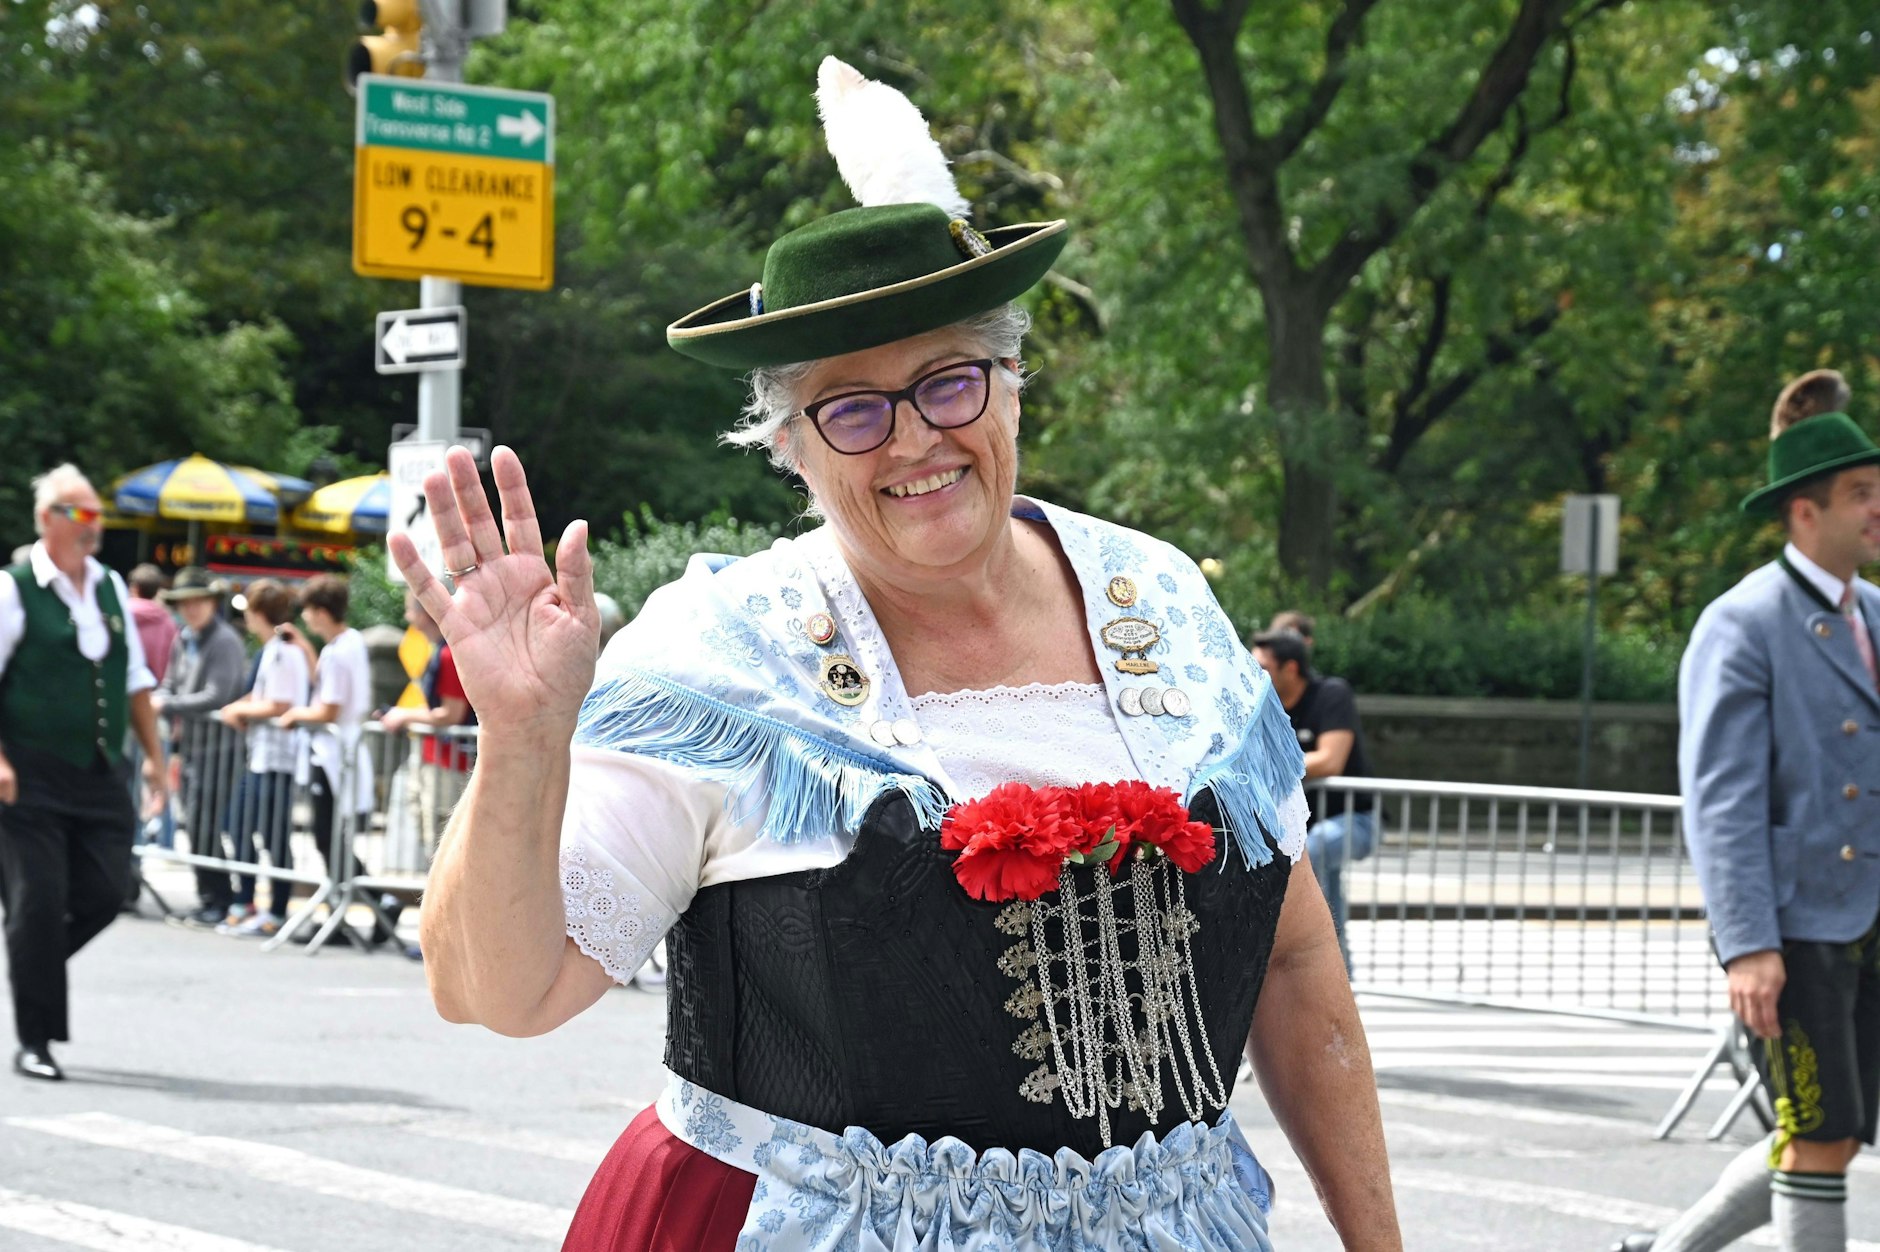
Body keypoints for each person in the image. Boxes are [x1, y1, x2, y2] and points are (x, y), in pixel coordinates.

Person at [397, 59, 1401, 1250]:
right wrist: (520, 740)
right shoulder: (719, 660)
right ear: (787, 444)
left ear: (1012, 383)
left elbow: (1289, 966)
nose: (914, 439)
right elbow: (498, 992)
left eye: (948, 381)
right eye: (852, 407)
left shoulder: (1165, 604)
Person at [1616, 369, 1880, 1252]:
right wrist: (1750, 943)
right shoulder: (1743, 622)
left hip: (1867, 918)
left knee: (1833, 1132)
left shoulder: (1873, 613)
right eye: (1860, 494)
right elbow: (1721, 799)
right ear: (1806, 512)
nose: (1877, 509)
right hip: (1795, 924)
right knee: (1815, 1132)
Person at [0, 464, 167, 1081]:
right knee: (37, 905)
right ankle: (35, 1040)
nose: (93, 526)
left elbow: (133, 681)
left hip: (98, 768)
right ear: (48, 520)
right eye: (80, 513)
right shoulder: (14, 589)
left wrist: (154, 759)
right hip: (29, 772)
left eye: (97, 513)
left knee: (104, 892)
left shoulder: (110, 587)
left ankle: (29, 956)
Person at [1251, 622, 1377, 979]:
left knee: (1317, 849)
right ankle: (1338, 975)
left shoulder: (1331, 693)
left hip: (1357, 820)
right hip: (1301, 828)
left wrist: (1272, 763)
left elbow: (1330, 760)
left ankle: (1332, 969)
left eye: (1262, 668)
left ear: (1291, 668)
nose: (1253, 676)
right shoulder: (1262, 704)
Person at [276, 575, 379, 945]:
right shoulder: (348, 643)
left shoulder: (339, 650)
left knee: (327, 838)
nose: (306, 618)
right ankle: (366, 902)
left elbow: (328, 709)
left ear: (321, 611)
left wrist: (296, 715)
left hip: (333, 755)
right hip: (342, 753)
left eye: (308, 611)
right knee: (333, 837)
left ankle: (372, 900)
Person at [211, 580, 310, 937]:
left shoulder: (284, 651)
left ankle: (277, 910)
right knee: (239, 825)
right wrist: (241, 707)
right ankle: (249, 900)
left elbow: (281, 703)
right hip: (263, 756)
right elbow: (264, 693)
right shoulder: (274, 648)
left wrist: (243, 710)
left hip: (278, 757)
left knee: (272, 835)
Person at [152, 567, 248, 914]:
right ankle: (210, 895)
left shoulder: (224, 640)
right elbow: (169, 682)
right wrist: (161, 697)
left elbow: (217, 695)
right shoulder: (183, 637)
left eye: (198, 601)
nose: (191, 608)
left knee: (204, 825)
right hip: (193, 746)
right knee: (194, 824)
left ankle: (218, 897)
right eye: (185, 603)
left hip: (219, 748)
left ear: (211, 603)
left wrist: (167, 703)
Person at [379, 590, 475, 858]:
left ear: (422, 614)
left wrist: (404, 716)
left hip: (448, 763)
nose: (407, 617)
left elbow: (450, 714)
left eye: (410, 610)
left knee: (442, 843)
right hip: (436, 759)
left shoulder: (448, 655)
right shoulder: (441, 650)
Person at [127, 564, 178, 686]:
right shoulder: (168, 622)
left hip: (122, 689)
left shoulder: (119, 615)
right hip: (156, 693)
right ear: (157, 590)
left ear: (135, 588)